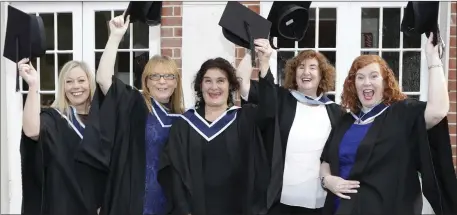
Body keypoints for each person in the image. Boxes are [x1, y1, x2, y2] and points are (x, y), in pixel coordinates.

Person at [319, 33, 457, 215]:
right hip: (339, 208)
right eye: (360, 77)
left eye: (373, 76)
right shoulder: (346, 121)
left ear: (385, 83)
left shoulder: (401, 114)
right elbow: (326, 160)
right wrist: (327, 180)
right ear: (353, 85)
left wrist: (433, 59)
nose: (366, 82)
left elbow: (438, 111)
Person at [75, 14, 185, 215]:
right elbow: (103, 79)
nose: (162, 81)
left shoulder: (185, 117)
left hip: (171, 204)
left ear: (176, 81)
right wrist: (115, 37)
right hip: (134, 201)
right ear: (146, 81)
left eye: (168, 76)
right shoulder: (136, 104)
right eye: (155, 76)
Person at [157, 56, 271, 215]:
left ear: (230, 85)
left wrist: (263, 63)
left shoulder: (244, 119)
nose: (214, 87)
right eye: (208, 81)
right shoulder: (184, 125)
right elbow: (174, 172)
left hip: (238, 208)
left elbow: (270, 109)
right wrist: (184, 210)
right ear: (200, 86)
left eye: (220, 81)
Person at [245, 39, 344, 215]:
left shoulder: (335, 112)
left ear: (322, 75)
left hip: (320, 201)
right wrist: (253, 53)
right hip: (283, 200)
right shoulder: (281, 100)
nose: (306, 72)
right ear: (293, 73)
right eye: (301, 67)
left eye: (313, 68)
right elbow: (242, 85)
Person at [19, 58, 104, 215]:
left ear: (90, 84)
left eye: (81, 80)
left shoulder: (103, 120)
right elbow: (31, 131)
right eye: (69, 81)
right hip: (63, 207)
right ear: (63, 87)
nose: (76, 86)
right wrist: (33, 85)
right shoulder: (55, 119)